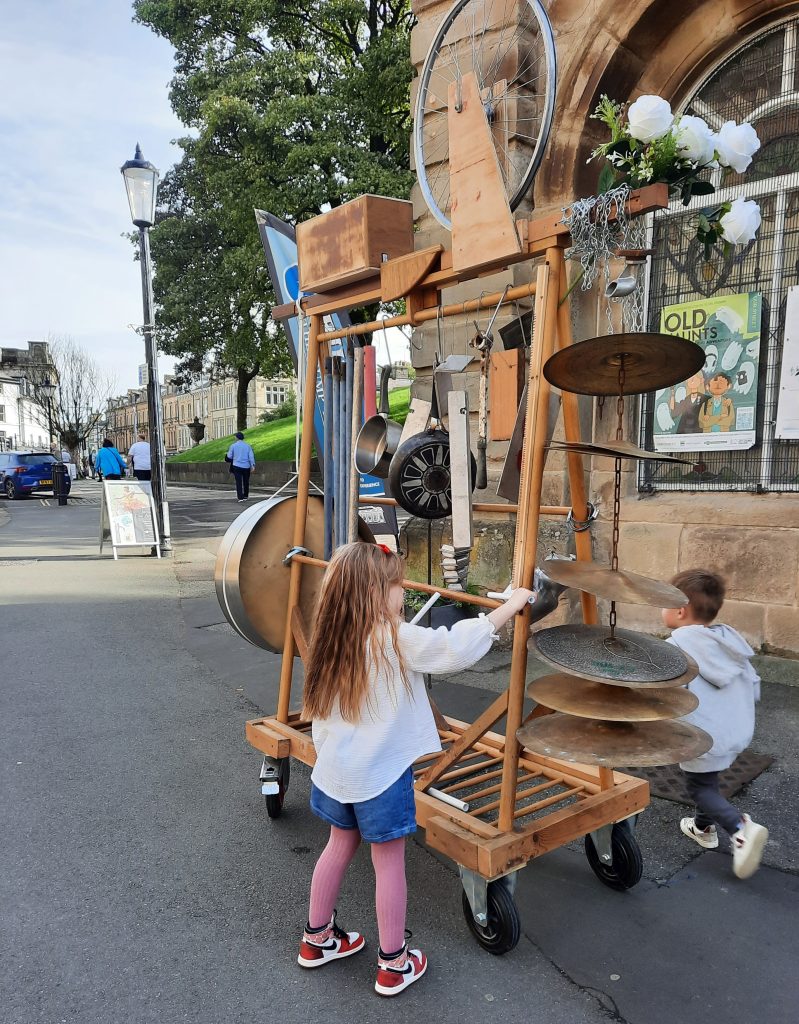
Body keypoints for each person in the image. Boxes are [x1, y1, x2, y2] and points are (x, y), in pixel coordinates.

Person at [297, 542, 534, 996]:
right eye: (395, 585)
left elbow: (322, 721)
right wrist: (507, 608)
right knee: (388, 865)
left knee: (336, 848)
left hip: (337, 772)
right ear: (371, 593)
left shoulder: (332, 638)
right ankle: (393, 963)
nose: (402, 593)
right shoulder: (394, 638)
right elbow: (452, 649)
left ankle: (317, 939)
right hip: (381, 776)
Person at [662, 569, 768, 879]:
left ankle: (740, 829)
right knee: (709, 781)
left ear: (680, 611)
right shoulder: (727, 641)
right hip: (735, 728)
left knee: (700, 788)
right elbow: (754, 685)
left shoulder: (675, 648)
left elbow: (667, 696)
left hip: (704, 734)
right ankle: (702, 827)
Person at [226, 431, 255, 501]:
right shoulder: (248, 446)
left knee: (238, 482)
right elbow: (251, 456)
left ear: (237, 438)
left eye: (235, 437)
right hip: (246, 466)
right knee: (246, 481)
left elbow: (229, 456)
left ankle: (240, 497)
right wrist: (253, 465)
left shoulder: (233, 446)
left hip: (237, 465)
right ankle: (245, 495)